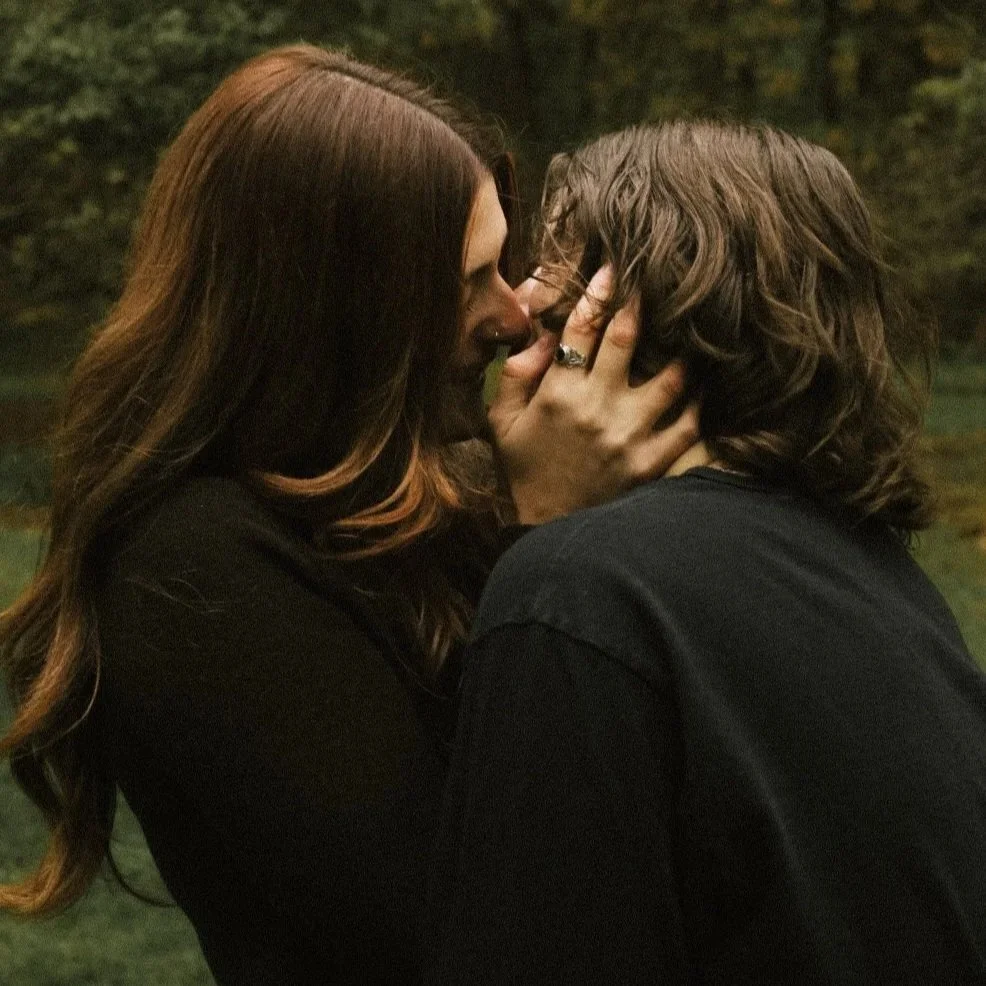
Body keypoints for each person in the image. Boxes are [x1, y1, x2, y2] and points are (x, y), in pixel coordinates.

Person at [0, 47, 698, 985]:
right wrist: (547, 530)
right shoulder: (192, 570)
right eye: (470, 281)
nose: (516, 318)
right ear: (334, 314)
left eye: (508, 265)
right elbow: (457, 932)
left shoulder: (371, 502)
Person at [428, 120, 986, 984]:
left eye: (557, 273)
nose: (521, 309)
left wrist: (543, 532)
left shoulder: (583, 595)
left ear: (624, 321)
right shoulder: (889, 584)